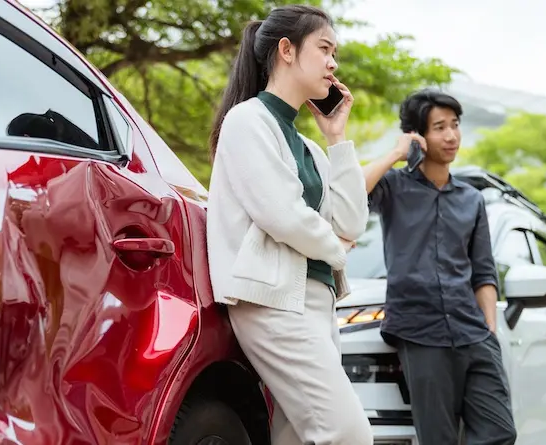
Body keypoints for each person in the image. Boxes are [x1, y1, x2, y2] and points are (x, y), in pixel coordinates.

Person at [206, 5, 372, 445]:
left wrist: (337, 138)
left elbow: (354, 220)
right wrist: (335, 246)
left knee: (296, 437)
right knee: (348, 434)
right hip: (274, 301)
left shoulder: (307, 147)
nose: (334, 63)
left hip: (316, 302)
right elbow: (280, 213)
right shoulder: (247, 120)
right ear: (286, 50)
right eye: (324, 49)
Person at [362, 90, 517, 445]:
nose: (451, 136)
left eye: (455, 125)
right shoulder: (394, 187)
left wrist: (489, 327)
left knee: (500, 432)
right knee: (438, 438)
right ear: (418, 134)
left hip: (473, 331)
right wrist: (396, 154)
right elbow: (349, 192)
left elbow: (483, 271)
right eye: (439, 127)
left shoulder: (471, 199)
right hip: (419, 332)